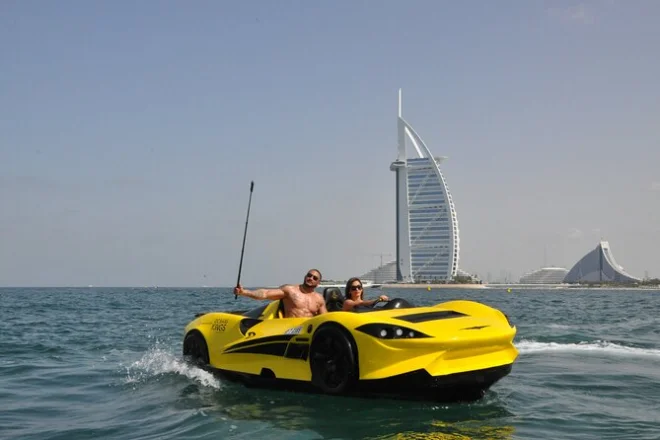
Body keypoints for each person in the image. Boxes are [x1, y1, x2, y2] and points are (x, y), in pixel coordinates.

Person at [233, 269, 327, 318]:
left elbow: (325, 318)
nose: (311, 278)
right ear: (305, 276)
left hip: (308, 332)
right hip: (291, 330)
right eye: (309, 275)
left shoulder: (319, 298)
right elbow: (265, 293)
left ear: (318, 283)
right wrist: (244, 292)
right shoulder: (290, 290)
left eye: (315, 278)